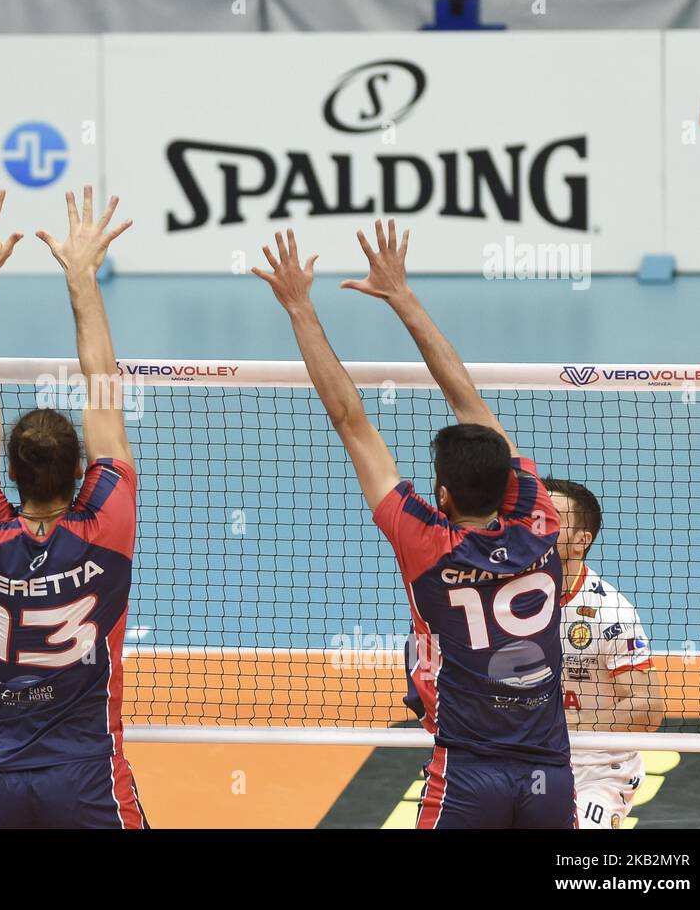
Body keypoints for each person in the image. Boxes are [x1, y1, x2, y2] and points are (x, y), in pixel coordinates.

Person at [253, 220, 574, 829]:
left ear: (443, 494)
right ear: (506, 476)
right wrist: (404, 296)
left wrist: (298, 306)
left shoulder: (423, 541)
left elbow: (350, 419)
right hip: (549, 772)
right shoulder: (540, 517)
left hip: (468, 773)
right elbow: (469, 402)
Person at [0, 184, 148, 828]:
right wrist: (83, 278)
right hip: (88, 774)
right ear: (84, 472)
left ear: (7, 473)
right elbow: (103, 385)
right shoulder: (108, 520)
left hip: (3, 781)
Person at [545, 478, 664, 829]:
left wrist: (565, 727)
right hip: (529, 758)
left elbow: (648, 707)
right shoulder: (508, 598)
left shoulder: (610, 613)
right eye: (536, 516)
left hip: (598, 770)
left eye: (552, 519)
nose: (539, 526)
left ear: (582, 541)